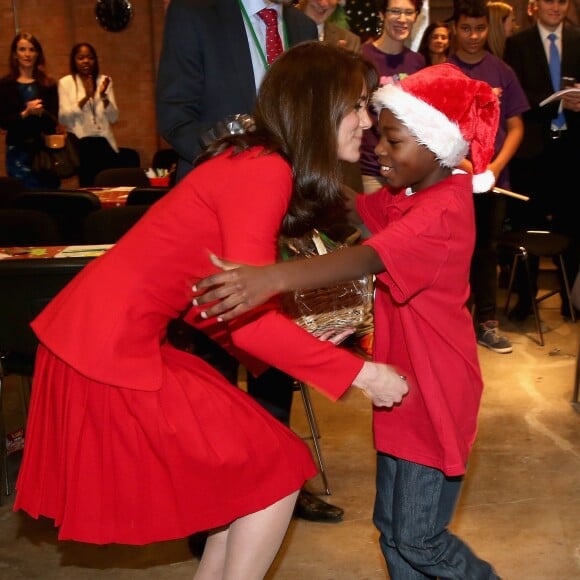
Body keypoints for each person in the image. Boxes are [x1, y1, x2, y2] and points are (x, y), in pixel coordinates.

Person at [13, 42, 408, 579]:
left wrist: (292, 354)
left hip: (103, 338)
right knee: (278, 468)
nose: (367, 120)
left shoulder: (252, 160)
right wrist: (362, 374)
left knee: (251, 478)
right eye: (358, 105)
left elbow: (210, 294)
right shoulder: (263, 170)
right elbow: (243, 315)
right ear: (318, 105)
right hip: (107, 349)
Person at [194, 62, 503, 579]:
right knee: (392, 530)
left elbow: (367, 256)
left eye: (393, 140)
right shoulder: (412, 193)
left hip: (436, 391)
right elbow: (354, 208)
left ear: (437, 145)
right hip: (401, 386)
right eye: (378, 136)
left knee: (419, 540)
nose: (377, 150)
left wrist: (271, 279)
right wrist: (289, 152)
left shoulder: (444, 210)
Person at [156, 0, 346, 525]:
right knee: (212, 365)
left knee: (276, 360)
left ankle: (278, 482)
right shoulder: (196, 14)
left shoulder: (305, 24)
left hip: (286, 214)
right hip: (213, 215)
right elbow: (174, 118)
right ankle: (213, 499)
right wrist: (242, 151)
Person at [448, 0, 529, 353]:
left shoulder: (502, 71)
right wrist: (461, 165)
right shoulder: (443, 71)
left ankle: (487, 323)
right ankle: (454, 324)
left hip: (493, 183)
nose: (473, 36)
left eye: (479, 29)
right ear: (455, 28)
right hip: (451, 181)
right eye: (466, 28)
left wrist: (495, 167)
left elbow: (516, 127)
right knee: (453, 253)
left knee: (486, 252)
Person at [504, 0, 580, 321]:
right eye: (549, 0)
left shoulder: (578, 39)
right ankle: (526, 297)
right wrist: (552, 103)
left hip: (571, 148)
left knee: (572, 226)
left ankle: (570, 299)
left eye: (561, 1)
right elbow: (514, 95)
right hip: (532, 149)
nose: (555, 7)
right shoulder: (517, 44)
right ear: (535, 5)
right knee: (528, 226)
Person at [359, 0, 425, 194]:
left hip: (407, 169)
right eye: (395, 11)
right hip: (372, 167)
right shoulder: (363, 56)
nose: (402, 19)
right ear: (382, 14)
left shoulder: (418, 62)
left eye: (408, 13)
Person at [0, 32, 62, 190]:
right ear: (15, 54)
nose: (27, 54)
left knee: (48, 198)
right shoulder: (5, 85)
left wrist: (42, 113)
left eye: (32, 49)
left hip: (44, 153)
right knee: (23, 199)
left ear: (38, 54)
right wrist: (25, 113)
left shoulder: (48, 84)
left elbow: (54, 122)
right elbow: (4, 123)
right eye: (22, 49)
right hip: (18, 153)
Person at [58, 42, 121, 187]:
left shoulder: (104, 81)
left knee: (107, 187)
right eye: (81, 58)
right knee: (88, 187)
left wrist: (104, 97)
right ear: (74, 61)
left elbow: (114, 117)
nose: (86, 61)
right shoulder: (65, 83)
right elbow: (63, 118)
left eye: (90, 57)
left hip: (104, 141)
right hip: (81, 144)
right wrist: (86, 97)